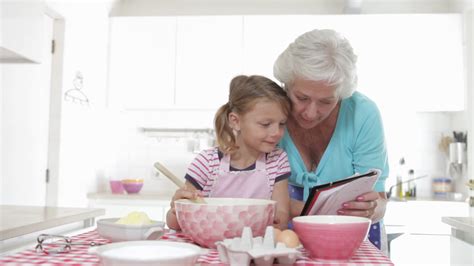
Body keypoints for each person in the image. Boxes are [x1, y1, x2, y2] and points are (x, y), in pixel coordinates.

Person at [273, 29, 389, 251]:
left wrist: (370, 209)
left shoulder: (362, 114)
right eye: (302, 98)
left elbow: (381, 201)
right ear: (286, 84)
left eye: (327, 101)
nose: (311, 112)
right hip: (282, 236)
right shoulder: (267, 112)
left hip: (352, 236)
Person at [166, 75, 292, 231]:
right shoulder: (207, 163)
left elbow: (281, 217)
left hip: (254, 248)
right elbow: (174, 224)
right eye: (266, 124)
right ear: (236, 121)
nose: (277, 132)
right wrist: (178, 207)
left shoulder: (277, 160)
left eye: (282, 124)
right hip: (209, 249)